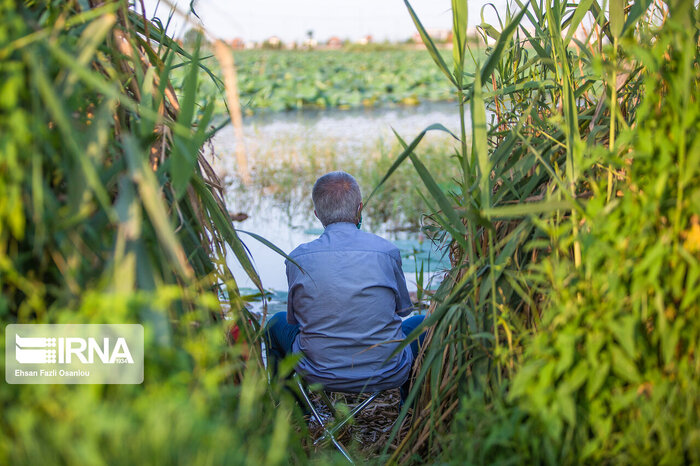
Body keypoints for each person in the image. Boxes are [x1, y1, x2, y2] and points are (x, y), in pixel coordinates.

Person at [264, 171, 425, 398]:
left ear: (317, 214)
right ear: (360, 209)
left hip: (316, 373)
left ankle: (292, 412)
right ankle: (410, 411)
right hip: (388, 371)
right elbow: (402, 310)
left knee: (275, 323)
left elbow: (295, 320)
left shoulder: (297, 258)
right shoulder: (387, 251)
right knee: (424, 323)